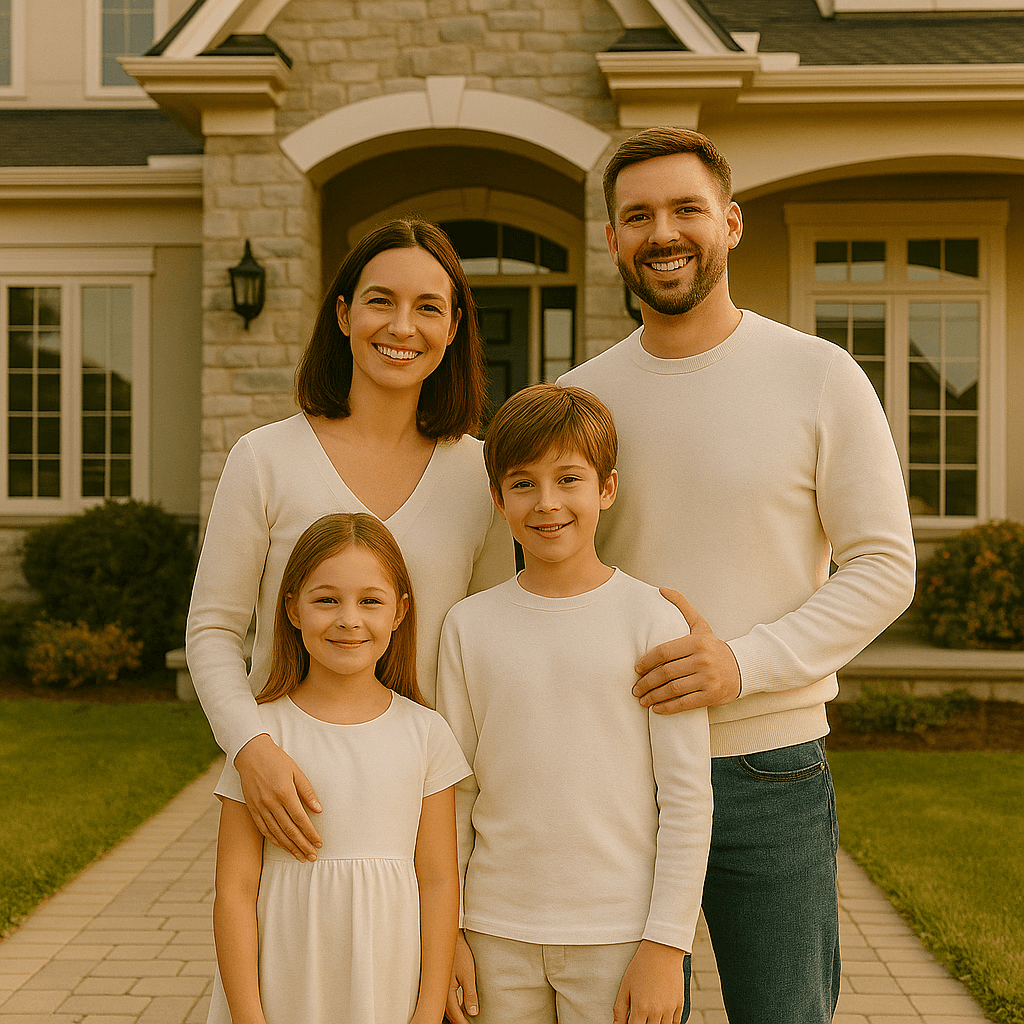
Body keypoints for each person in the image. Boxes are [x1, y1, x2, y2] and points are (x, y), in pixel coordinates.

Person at [558, 128, 917, 1023]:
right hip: (616, 773)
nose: (662, 233)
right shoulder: (580, 400)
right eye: (637, 216)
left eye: (686, 209)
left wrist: (744, 664)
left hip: (769, 773)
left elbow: (884, 566)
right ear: (612, 238)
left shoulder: (819, 375)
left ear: (731, 222)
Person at [186, 219, 513, 863]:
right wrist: (251, 750)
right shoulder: (265, 459)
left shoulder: (480, 477)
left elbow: (491, 648)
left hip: (428, 808)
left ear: (453, 329)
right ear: (343, 314)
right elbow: (213, 629)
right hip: (288, 799)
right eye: (380, 301)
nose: (402, 326)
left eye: (428, 308)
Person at [437, 384, 712, 1024]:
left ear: (606, 488)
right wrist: (448, 931)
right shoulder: (468, 627)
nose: (547, 503)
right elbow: (455, 795)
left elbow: (686, 799)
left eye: (568, 479)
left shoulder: (653, 620)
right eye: (523, 483)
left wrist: (666, 944)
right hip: (494, 929)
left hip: (620, 935)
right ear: (498, 498)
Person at [207, 512, 470, 1024]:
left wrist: (428, 1007)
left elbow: (439, 882)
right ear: (292, 608)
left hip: (387, 982)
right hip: (282, 982)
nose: (349, 619)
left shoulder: (425, 733)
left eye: (370, 601)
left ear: (400, 611)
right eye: (326, 600)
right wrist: (247, 1015)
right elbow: (234, 890)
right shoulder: (261, 739)